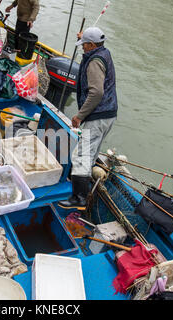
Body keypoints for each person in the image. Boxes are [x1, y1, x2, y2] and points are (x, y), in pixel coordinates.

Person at [58, 27, 118, 210]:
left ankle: (79, 198)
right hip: (109, 114)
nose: (82, 48)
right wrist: (83, 37)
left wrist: (79, 116)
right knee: (90, 154)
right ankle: (81, 181)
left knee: (80, 157)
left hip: (97, 116)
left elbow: (96, 92)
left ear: (92, 45)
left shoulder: (94, 63)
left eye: (84, 45)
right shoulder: (103, 52)